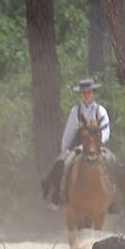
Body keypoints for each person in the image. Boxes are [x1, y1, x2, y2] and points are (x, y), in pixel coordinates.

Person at [42, 78, 111, 207]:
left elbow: (106, 130)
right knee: (62, 163)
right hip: (79, 146)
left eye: (88, 92)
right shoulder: (75, 111)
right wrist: (65, 150)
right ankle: (58, 195)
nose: (86, 95)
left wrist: (99, 142)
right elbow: (69, 132)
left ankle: (115, 198)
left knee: (113, 162)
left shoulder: (100, 110)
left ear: (93, 93)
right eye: (83, 93)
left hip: (97, 145)